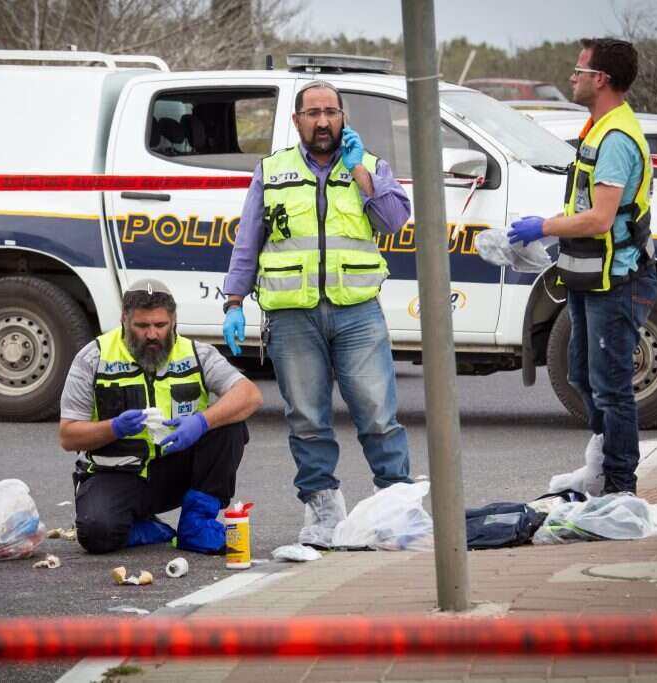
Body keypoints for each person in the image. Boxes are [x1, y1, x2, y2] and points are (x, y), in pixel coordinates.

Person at [221, 80, 413, 548]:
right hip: (292, 317)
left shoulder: (370, 165)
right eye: (313, 113)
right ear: (296, 121)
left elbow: (395, 221)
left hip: (357, 313)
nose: (323, 121)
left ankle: (393, 506)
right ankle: (324, 510)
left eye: (331, 112)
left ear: (344, 117)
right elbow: (249, 241)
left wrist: (360, 174)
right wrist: (232, 301)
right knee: (306, 418)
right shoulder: (272, 170)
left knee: (378, 415)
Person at [507, 38, 657, 495]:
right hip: (587, 274)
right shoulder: (598, 127)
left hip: (616, 279)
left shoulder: (615, 138)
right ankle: (599, 466)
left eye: (579, 70)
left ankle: (619, 487)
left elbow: (600, 218)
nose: (572, 77)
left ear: (602, 80)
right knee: (580, 376)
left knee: (612, 388)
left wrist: (543, 228)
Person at [59, 278, 262, 555]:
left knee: (230, 423)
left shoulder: (195, 353)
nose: (152, 335)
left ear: (174, 321)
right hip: (118, 473)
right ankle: (141, 526)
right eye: (142, 326)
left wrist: (201, 422)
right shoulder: (93, 357)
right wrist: (114, 428)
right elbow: (68, 436)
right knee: (97, 534)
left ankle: (196, 525)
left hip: (176, 470)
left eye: (160, 326)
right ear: (124, 320)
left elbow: (249, 395)